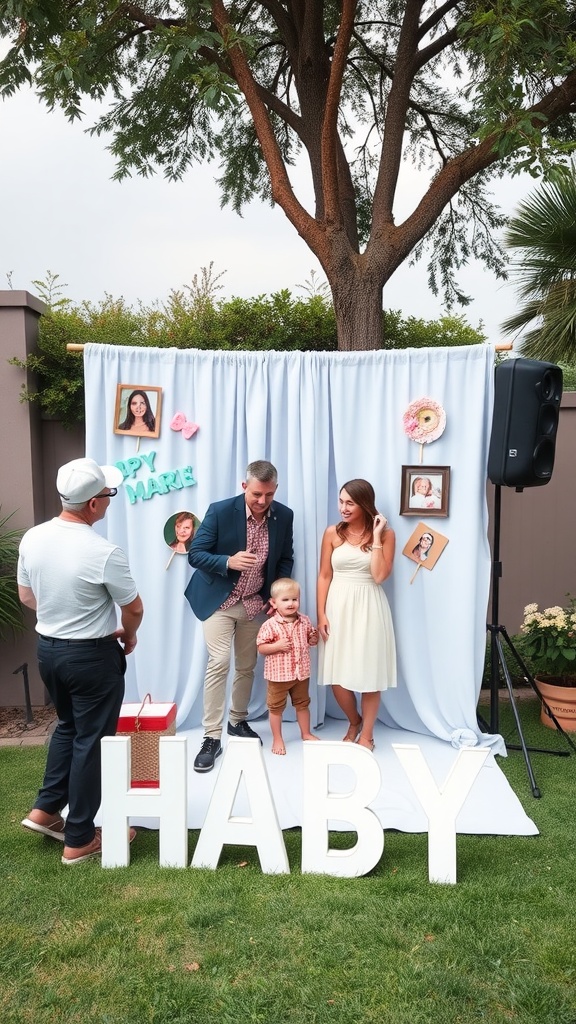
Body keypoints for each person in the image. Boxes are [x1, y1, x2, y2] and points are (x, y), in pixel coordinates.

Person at [17, 457, 143, 865]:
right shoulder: (103, 550)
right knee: (92, 741)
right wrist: (130, 634)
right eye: (108, 495)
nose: (109, 502)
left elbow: (26, 597)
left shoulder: (32, 538)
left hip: (49, 651)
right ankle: (80, 838)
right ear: (92, 504)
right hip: (91, 657)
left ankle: (45, 809)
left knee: (68, 728)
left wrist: (59, 617)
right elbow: (134, 608)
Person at [185, 460, 294, 772]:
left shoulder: (284, 515)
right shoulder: (220, 511)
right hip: (218, 601)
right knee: (219, 663)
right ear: (245, 486)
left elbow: (286, 557)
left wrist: (272, 595)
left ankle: (237, 721)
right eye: (257, 494)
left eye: (269, 495)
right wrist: (227, 561)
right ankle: (211, 737)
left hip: (254, 604)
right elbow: (195, 554)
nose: (262, 502)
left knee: (247, 666)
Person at [317, 478, 396, 752]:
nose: (343, 508)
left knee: (370, 672)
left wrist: (375, 537)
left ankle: (368, 734)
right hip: (337, 606)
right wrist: (321, 615)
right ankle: (354, 721)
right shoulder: (332, 533)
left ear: (364, 503)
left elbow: (378, 576)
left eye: (350, 502)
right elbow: (324, 576)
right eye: (341, 501)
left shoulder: (387, 535)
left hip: (370, 607)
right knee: (336, 674)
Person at [256, 578, 319, 755]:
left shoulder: (305, 621)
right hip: (278, 676)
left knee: (303, 704)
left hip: (301, 674)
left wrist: (313, 639)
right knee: (276, 708)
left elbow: (310, 641)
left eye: (294, 599)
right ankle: (277, 738)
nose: (291, 603)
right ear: (274, 603)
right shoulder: (269, 625)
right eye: (285, 600)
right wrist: (276, 646)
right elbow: (261, 647)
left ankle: (306, 733)